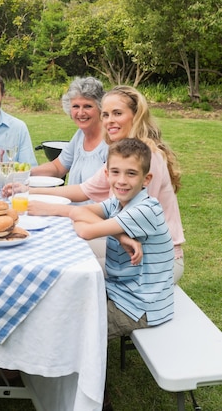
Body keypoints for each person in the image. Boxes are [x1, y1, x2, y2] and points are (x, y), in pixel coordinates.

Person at [28, 85, 185, 282]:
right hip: (128, 249)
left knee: (67, 274)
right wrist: (28, 190)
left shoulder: (148, 157)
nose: (109, 121)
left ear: (135, 115)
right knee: (53, 250)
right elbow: (83, 190)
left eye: (117, 113)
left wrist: (57, 210)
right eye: (106, 114)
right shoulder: (122, 154)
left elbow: (125, 225)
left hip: (155, 262)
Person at [71, 138, 174, 411]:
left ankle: (96, 400)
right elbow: (77, 212)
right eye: (115, 172)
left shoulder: (144, 209)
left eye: (131, 173)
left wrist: (106, 227)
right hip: (123, 291)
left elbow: (83, 229)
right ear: (107, 173)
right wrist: (119, 233)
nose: (122, 180)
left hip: (140, 305)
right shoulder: (117, 203)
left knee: (81, 329)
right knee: (72, 299)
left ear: (146, 178)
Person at [30, 76, 108, 184]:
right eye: (76, 106)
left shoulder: (110, 142)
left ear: (101, 107)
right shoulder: (80, 135)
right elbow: (57, 167)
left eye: (87, 106)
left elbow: (88, 192)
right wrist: (24, 173)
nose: (81, 113)